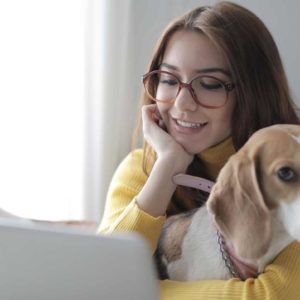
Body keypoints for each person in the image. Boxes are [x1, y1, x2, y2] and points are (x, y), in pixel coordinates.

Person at [99, 1, 300, 299]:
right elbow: (100, 277)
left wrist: (138, 292)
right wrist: (167, 168)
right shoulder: (139, 170)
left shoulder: (288, 173)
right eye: (168, 80)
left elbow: (274, 294)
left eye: (210, 84)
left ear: (253, 92)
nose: (182, 103)